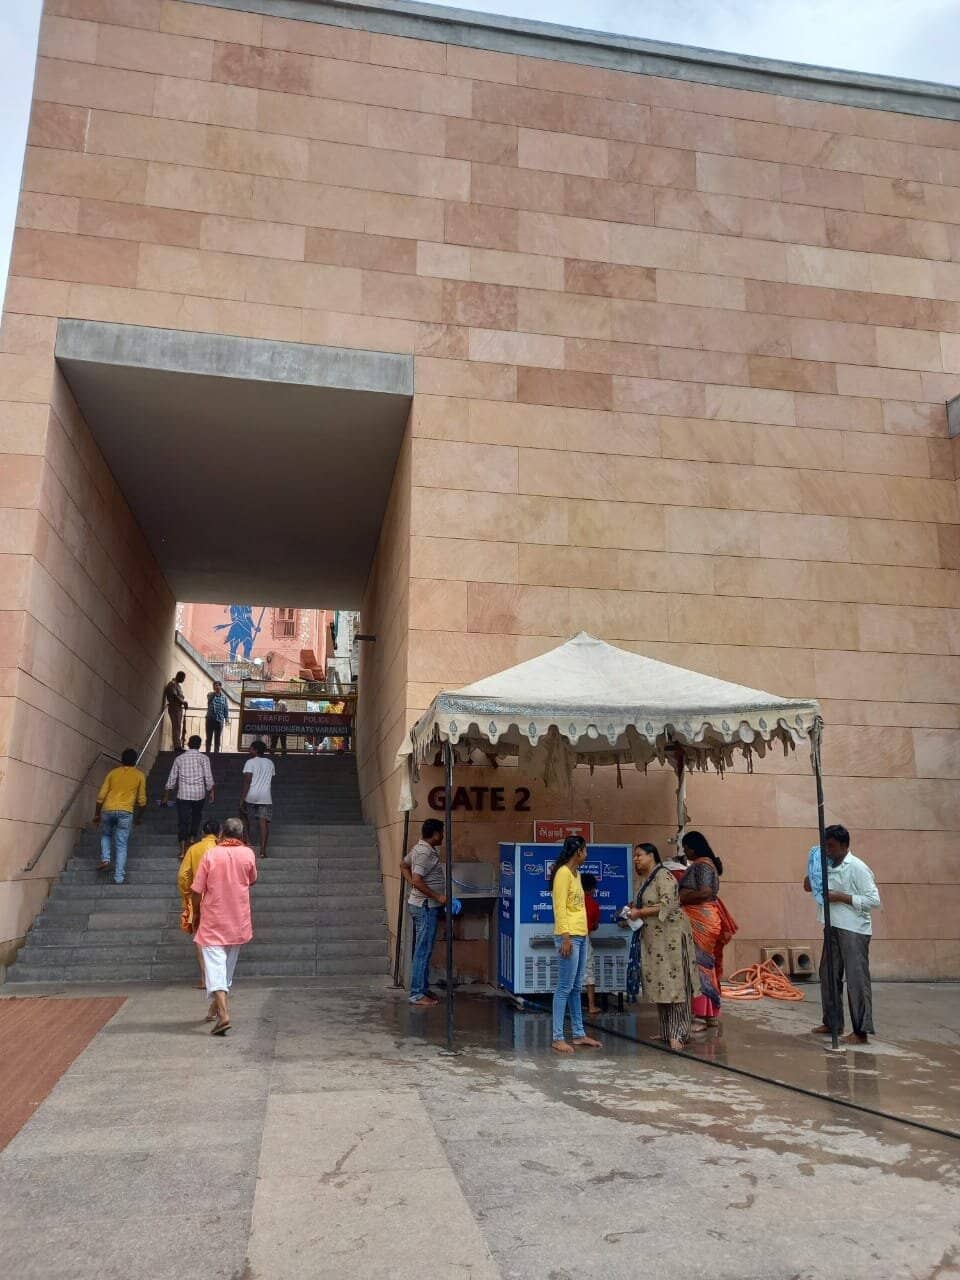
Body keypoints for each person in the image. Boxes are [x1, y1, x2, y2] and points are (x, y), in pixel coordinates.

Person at [803, 824, 881, 1045]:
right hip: (831, 925)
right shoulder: (825, 865)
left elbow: (874, 900)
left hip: (854, 929)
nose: (828, 850)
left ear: (844, 845)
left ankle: (861, 1031)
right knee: (828, 973)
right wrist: (811, 877)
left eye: (831, 846)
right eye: (825, 846)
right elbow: (810, 887)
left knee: (856, 979)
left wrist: (841, 897)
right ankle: (832, 1022)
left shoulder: (857, 867)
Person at [624, 842, 698, 1050]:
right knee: (661, 982)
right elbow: (645, 904)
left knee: (675, 983)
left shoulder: (664, 876)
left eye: (639, 855)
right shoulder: (647, 879)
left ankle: (679, 1033)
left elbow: (668, 903)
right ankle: (666, 1031)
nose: (636, 859)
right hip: (655, 941)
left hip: (671, 938)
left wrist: (640, 912)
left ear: (651, 855)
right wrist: (632, 911)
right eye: (634, 856)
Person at [191, 817, 258, 1036]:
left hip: (214, 919)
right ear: (241, 835)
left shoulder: (211, 855)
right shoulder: (248, 854)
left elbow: (197, 889)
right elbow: (252, 879)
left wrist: (196, 913)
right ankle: (215, 1008)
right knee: (226, 969)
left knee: (215, 968)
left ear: (222, 834)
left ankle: (223, 1014)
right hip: (238, 919)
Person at [679, 831, 738, 1030]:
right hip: (705, 918)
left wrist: (680, 898)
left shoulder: (703, 865)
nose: (685, 852)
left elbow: (705, 892)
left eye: (686, 848)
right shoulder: (706, 864)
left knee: (699, 967)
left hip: (701, 920)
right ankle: (711, 1014)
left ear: (693, 848)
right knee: (706, 966)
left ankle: (700, 1016)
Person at [550, 835, 602, 1055]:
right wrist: (565, 937)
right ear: (578, 851)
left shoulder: (576, 874)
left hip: (580, 935)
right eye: (585, 850)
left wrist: (582, 934)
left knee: (575, 986)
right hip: (569, 936)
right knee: (564, 987)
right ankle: (557, 1037)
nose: (586, 854)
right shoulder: (563, 873)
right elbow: (559, 907)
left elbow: (578, 908)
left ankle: (579, 1033)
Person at [406, 818, 447, 1008]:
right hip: (425, 907)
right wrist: (437, 896)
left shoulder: (421, 848)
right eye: (442, 833)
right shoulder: (424, 852)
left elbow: (403, 864)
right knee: (422, 951)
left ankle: (422, 988)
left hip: (424, 905)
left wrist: (414, 885)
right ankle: (416, 993)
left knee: (425, 949)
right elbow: (417, 879)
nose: (443, 836)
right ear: (436, 834)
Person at [93, 747, 147, 884]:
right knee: (121, 844)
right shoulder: (139, 775)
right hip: (126, 812)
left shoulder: (112, 773)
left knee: (106, 835)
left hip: (108, 809)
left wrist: (96, 814)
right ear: (135, 761)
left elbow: (100, 796)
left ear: (121, 760)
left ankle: (105, 859)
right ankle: (118, 877)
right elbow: (142, 800)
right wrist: (139, 817)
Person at [178, 820, 219, 988]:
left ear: (203, 832)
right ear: (219, 833)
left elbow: (183, 875)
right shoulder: (221, 849)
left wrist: (187, 894)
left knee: (201, 938)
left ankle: (205, 978)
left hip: (199, 897)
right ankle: (219, 976)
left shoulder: (194, 849)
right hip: (220, 899)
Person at [163, 734, 215, 857]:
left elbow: (172, 778)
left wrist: (166, 794)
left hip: (183, 795)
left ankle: (182, 850)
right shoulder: (204, 758)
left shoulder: (179, 759)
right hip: (199, 794)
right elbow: (208, 777)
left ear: (188, 744)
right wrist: (211, 791)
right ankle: (192, 838)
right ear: (199, 745)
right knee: (196, 817)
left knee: (183, 821)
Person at [241, 740, 275, 858]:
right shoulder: (270, 762)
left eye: (251, 748)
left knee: (243, 814)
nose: (249, 750)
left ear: (255, 750)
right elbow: (270, 777)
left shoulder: (250, 762)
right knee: (263, 822)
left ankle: (248, 840)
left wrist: (242, 799)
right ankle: (263, 851)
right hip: (265, 796)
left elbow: (247, 781)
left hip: (251, 794)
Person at [580, 871, 602, 1017]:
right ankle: (592, 1005)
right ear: (592, 888)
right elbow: (594, 926)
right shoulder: (593, 904)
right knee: (588, 971)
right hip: (584, 939)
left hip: (568, 939)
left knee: (571, 973)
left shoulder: (572, 901)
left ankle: (574, 1004)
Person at [163, 671, 188, 751]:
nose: (183, 680)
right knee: (176, 727)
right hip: (174, 707)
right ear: (179, 676)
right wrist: (183, 702)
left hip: (178, 708)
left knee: (178, 727)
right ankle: (177, 746)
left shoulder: (178, 686)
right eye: (183, 678)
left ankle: (178, 745)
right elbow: (174, 695)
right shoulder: (172, 684)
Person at [205, 681, 229, 755]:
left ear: (221, 687)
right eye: (215, 685)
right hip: (210, 719)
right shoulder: (210, 694)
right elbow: (209, 699)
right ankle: (207, 752)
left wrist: (226, 719)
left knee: (217, 738)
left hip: (219, 720)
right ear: (213, 687)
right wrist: (215, 692)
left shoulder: (224, 698)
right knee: (209, 737)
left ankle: (216, 753)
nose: (217, 687)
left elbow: (226, 708)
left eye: (218, 685)